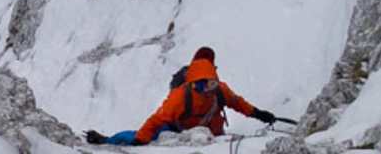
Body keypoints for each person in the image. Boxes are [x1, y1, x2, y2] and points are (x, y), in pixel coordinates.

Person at [85, 46, 278, 146]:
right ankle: (108, 141)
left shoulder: (219, 89)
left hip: (209, 136)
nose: (207, 89)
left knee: (144, 135)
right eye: (202, 85)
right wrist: (141, 140)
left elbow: (238, 103)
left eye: (210, 83)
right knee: (139, 135)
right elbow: (157, 119)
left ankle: (114, 140)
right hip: (181, 132)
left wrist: (259, 114)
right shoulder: (181, 96)